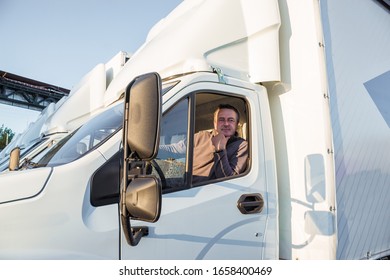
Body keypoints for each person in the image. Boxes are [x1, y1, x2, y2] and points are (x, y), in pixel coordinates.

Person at [160, 104, 248, 183]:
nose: (226, 123)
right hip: (186, 188)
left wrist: (220, 150)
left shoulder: (242, 146)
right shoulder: (201, 136)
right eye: (221, 119)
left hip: (210, 195)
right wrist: (150, 150)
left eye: (231, 120)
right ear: (214, 123)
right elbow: (173, 149)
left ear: (236, 125)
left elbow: (230, 180)